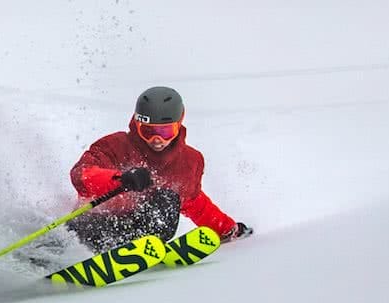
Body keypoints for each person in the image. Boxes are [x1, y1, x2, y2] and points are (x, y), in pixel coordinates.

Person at [67, 86, 251, 253]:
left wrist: (227, 229)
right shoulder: (115, 145)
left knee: (168, 199)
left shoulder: (188, 162)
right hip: (95, 225)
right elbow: (80, 174)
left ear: (179, 124)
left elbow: (195, 203)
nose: (156, 139)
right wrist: (120, 179)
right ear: (136, 125)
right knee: (76, 231)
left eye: (165, 132)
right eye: (147, 131)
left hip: (144, 232)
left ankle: (137, 247)